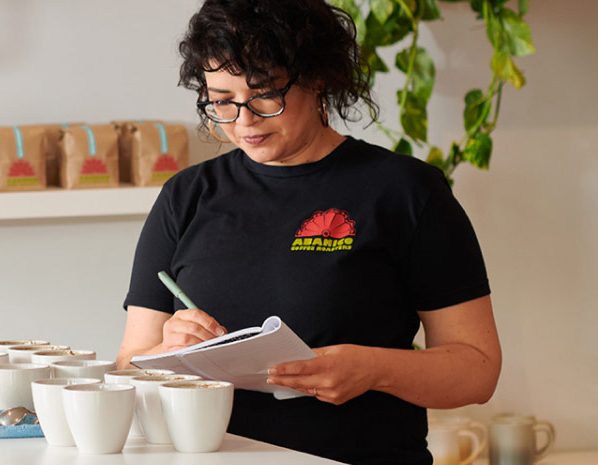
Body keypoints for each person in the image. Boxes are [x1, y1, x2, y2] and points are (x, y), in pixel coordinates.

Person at [114, 0, 502, 463]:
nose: (243, 120)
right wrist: (165, 351)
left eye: (263, 94)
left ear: (317, 78)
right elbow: (126, 367)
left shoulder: (406, 191)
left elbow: (478, 370)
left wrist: (373, 370)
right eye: (220, 101)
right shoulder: (187, 195)